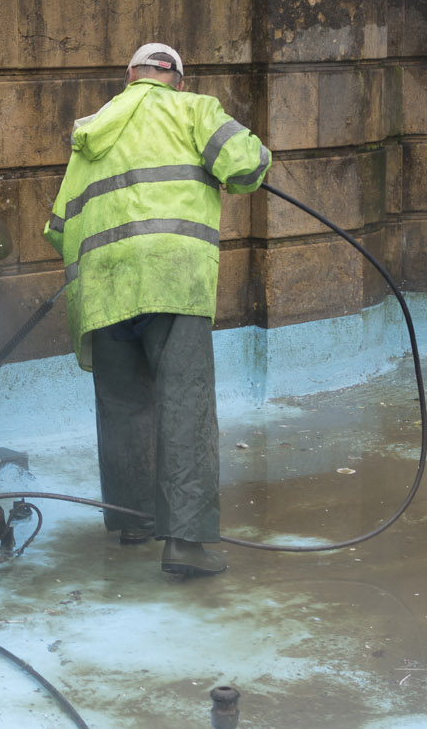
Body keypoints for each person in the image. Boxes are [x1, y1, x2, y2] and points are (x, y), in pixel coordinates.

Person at [43, 43, 271, 578]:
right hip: (173, 280)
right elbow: (244, 163)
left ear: (131, 77)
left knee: (123, 404)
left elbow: (58, 227)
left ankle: (133, 521)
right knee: (184, 402)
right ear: (178, 81)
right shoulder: (194, 110)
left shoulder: (92, 132)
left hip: (105, 289)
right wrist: (251, 166)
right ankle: (185, 544)